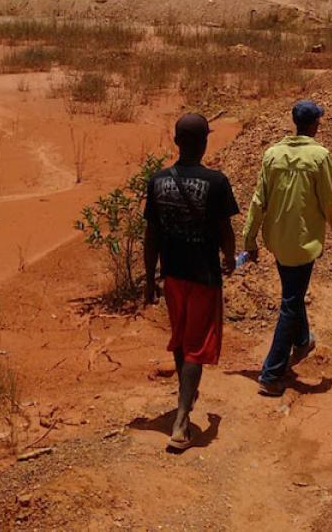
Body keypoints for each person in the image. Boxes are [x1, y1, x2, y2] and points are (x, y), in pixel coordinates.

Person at [143, 113, 241, 452]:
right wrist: (230, 259)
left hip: (172, 274)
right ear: (204, 143)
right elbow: (225, 231)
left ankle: (186, 394)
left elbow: (151, 234)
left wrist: (148, 279)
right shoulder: (216, 182)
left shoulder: (157, 180)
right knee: (197, 345)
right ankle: (182, 421)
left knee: (182, 338)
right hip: (203, 275)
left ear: (176, 142)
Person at [240, 100, 332, 397]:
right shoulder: (319, 156)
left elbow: (258, 201)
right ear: (314, 124)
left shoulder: (272, 154)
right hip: (303, 243)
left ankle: (302, 341)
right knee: (290, 301)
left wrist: (249, 240)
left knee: (293, 290)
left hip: (278, 241)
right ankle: (271, 373)